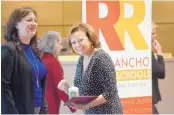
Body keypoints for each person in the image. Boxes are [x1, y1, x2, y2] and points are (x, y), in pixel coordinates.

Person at [58, 23, 123, 114]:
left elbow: (110, 93)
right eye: (73, 42)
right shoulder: (81, 58)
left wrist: (85, 106)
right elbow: (81, 89)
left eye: (80, 40)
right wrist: (68, 89)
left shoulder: (101, 58)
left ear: (90, 38)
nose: (77, 45)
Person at [1, 7, 47, 114]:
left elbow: (40, 83)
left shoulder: (35, 51)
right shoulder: (9, 49)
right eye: (29, 20)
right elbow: (3, 86)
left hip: (39, 110)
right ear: (16, 24)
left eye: (35, 20)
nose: (34, 23)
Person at [38, 31, 76, 114]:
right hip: (50, 105)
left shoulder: (41, 60)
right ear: (53, 45)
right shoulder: (53, 62)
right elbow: (61, 88)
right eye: (59, 43)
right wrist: (73, 106)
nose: (61, 47)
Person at [151, 22, 165, 114]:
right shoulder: (146, 53)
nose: (155, 36)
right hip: (147, 100)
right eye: (152, 33)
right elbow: (161, 73)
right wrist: (160, 53)